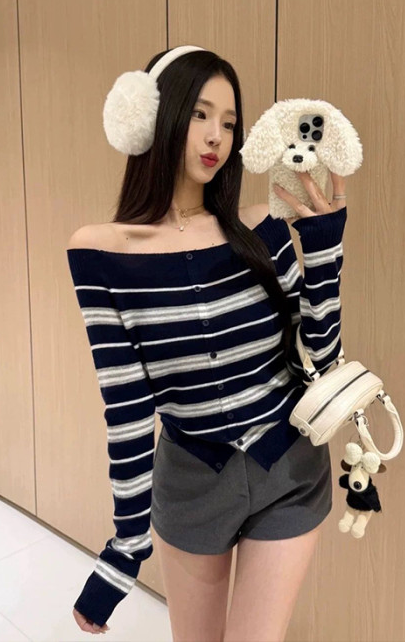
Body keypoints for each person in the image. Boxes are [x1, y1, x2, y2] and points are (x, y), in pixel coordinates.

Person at [66, 46, 347, 639]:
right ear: (151, 117)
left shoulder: (260, 227)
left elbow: (321, 358)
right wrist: (125, 547)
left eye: (228, 121)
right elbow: (126, 407)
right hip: (191, 482)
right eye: (199, 114)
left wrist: (324, 248)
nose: (216, 135)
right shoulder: (101, 253)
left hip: (290, 469)